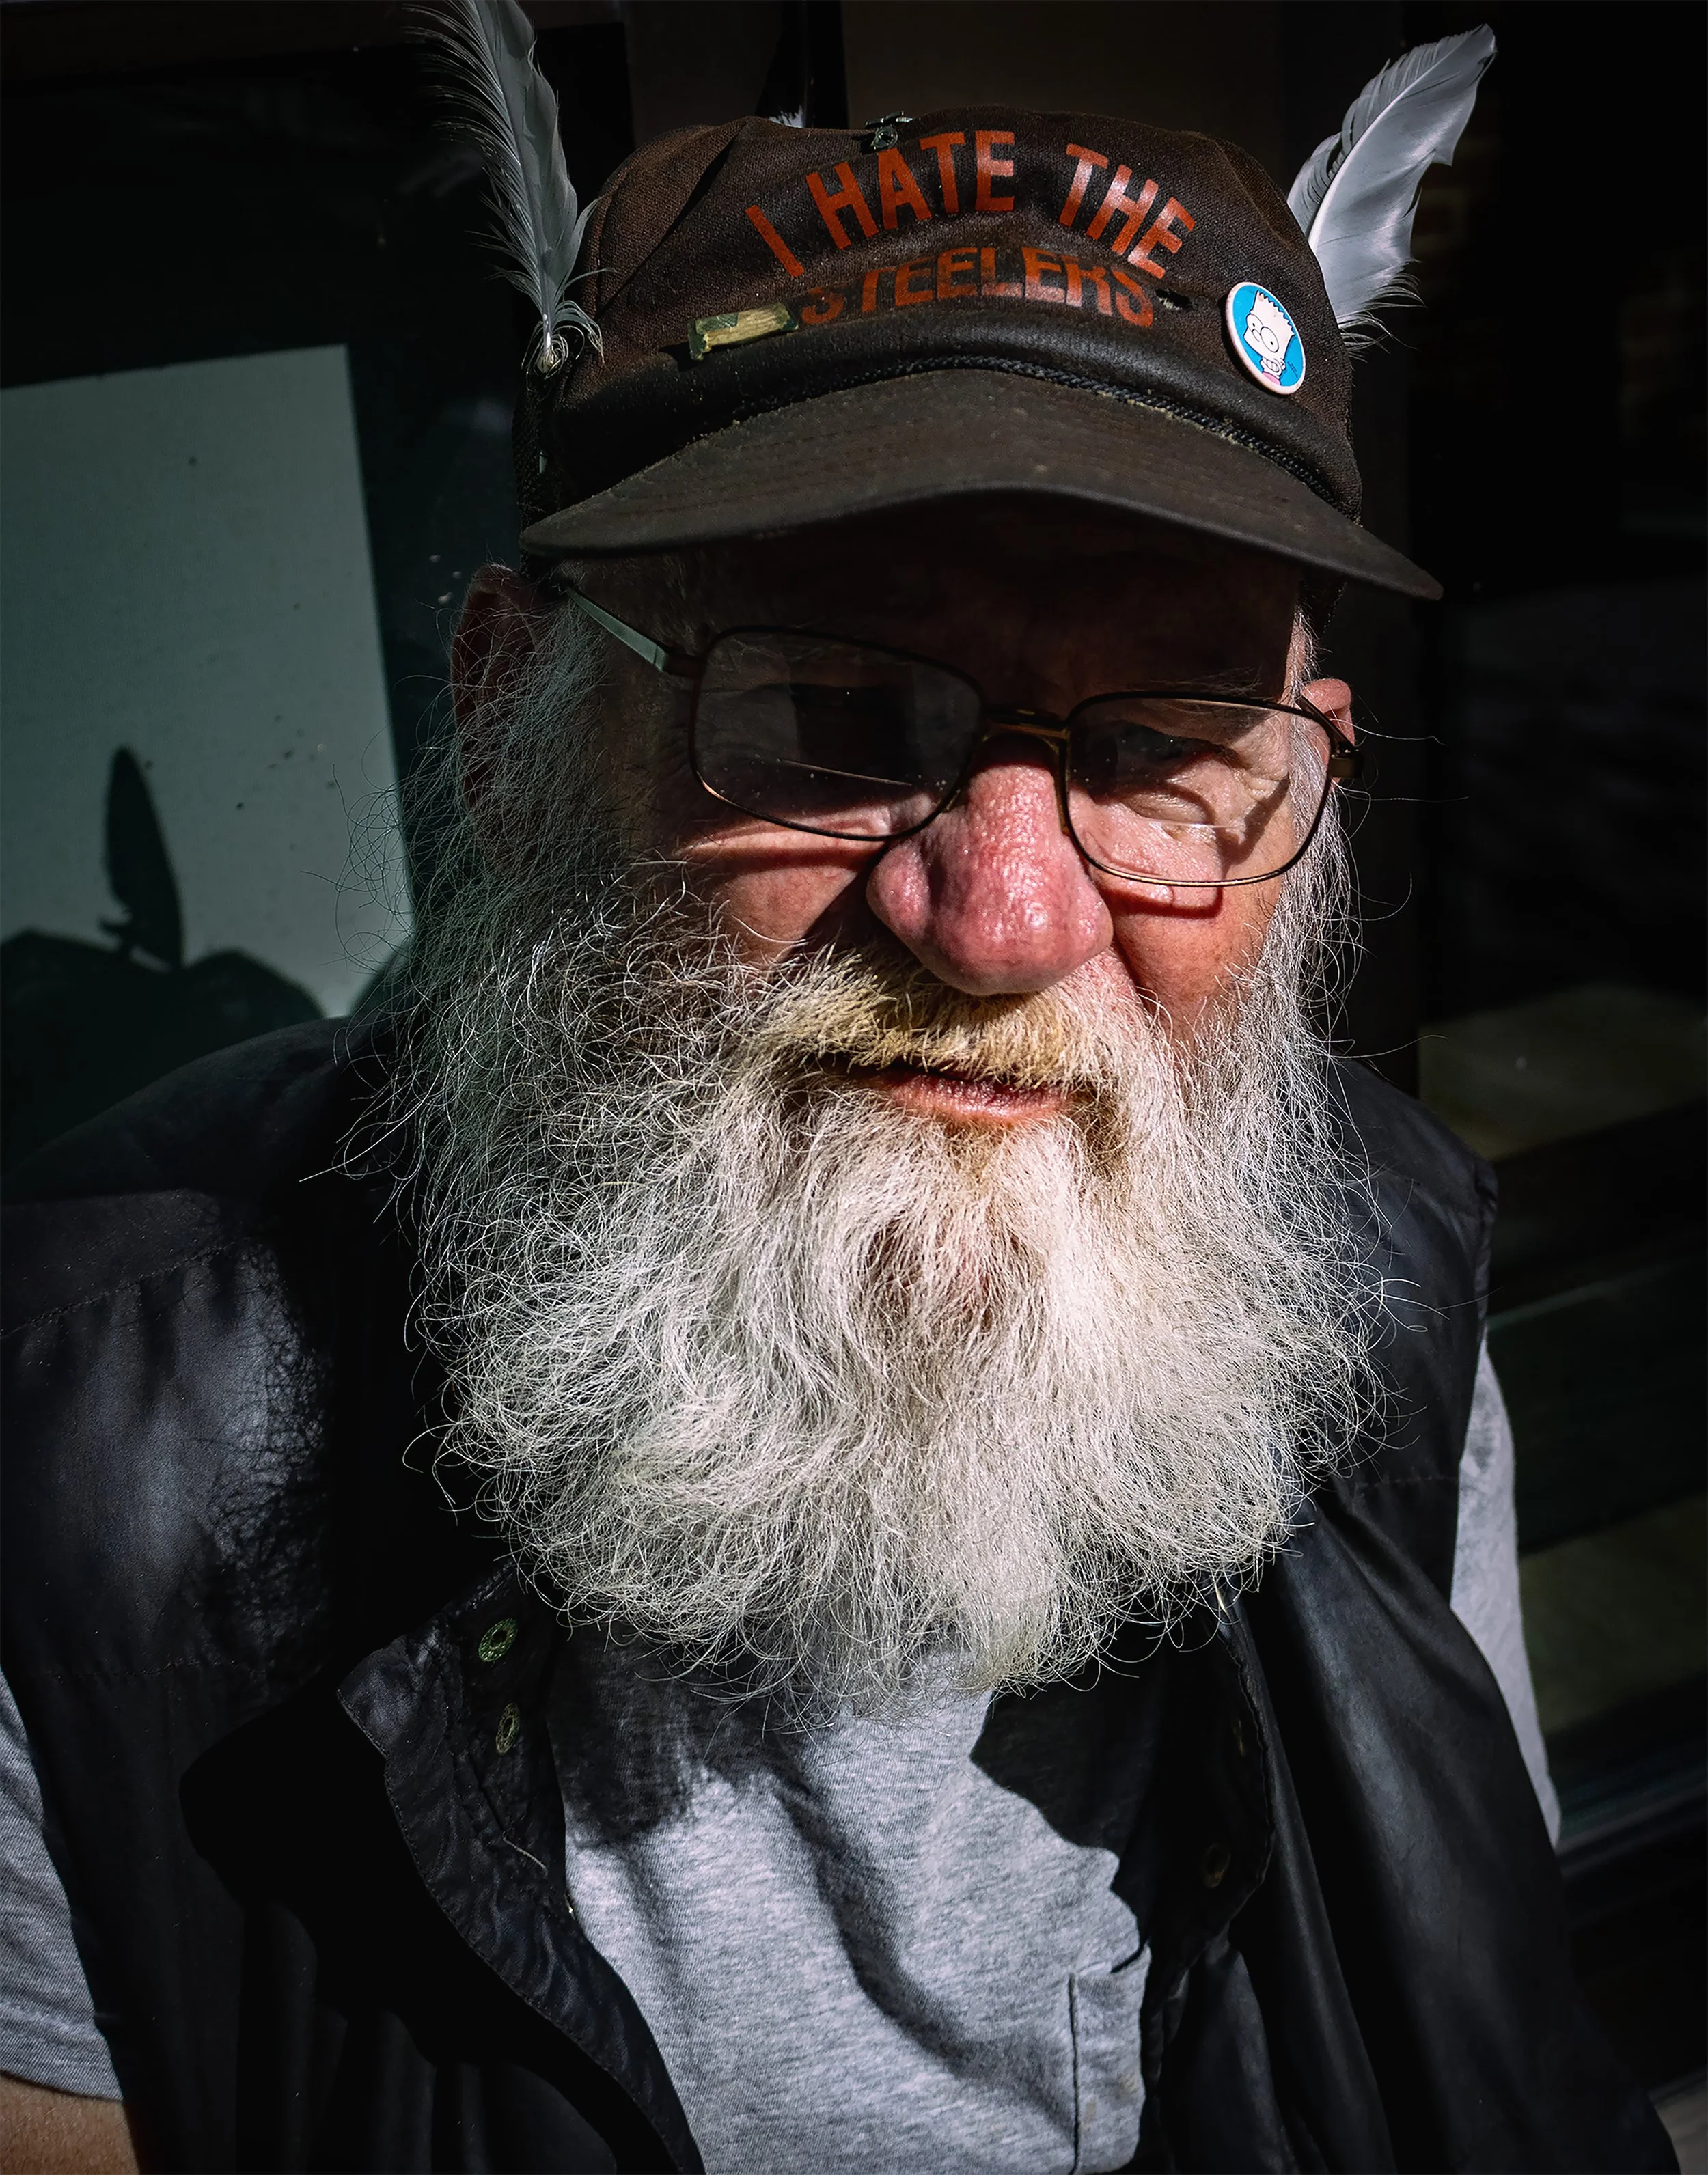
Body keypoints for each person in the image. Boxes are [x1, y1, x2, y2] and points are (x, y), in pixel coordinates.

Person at [0, 79, 1677, 2175]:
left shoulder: (1380, 1264)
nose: (999, 920)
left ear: (1309, 779)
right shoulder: (71, 1451)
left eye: (1167, 754)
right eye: (820, 717)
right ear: (516, 718)